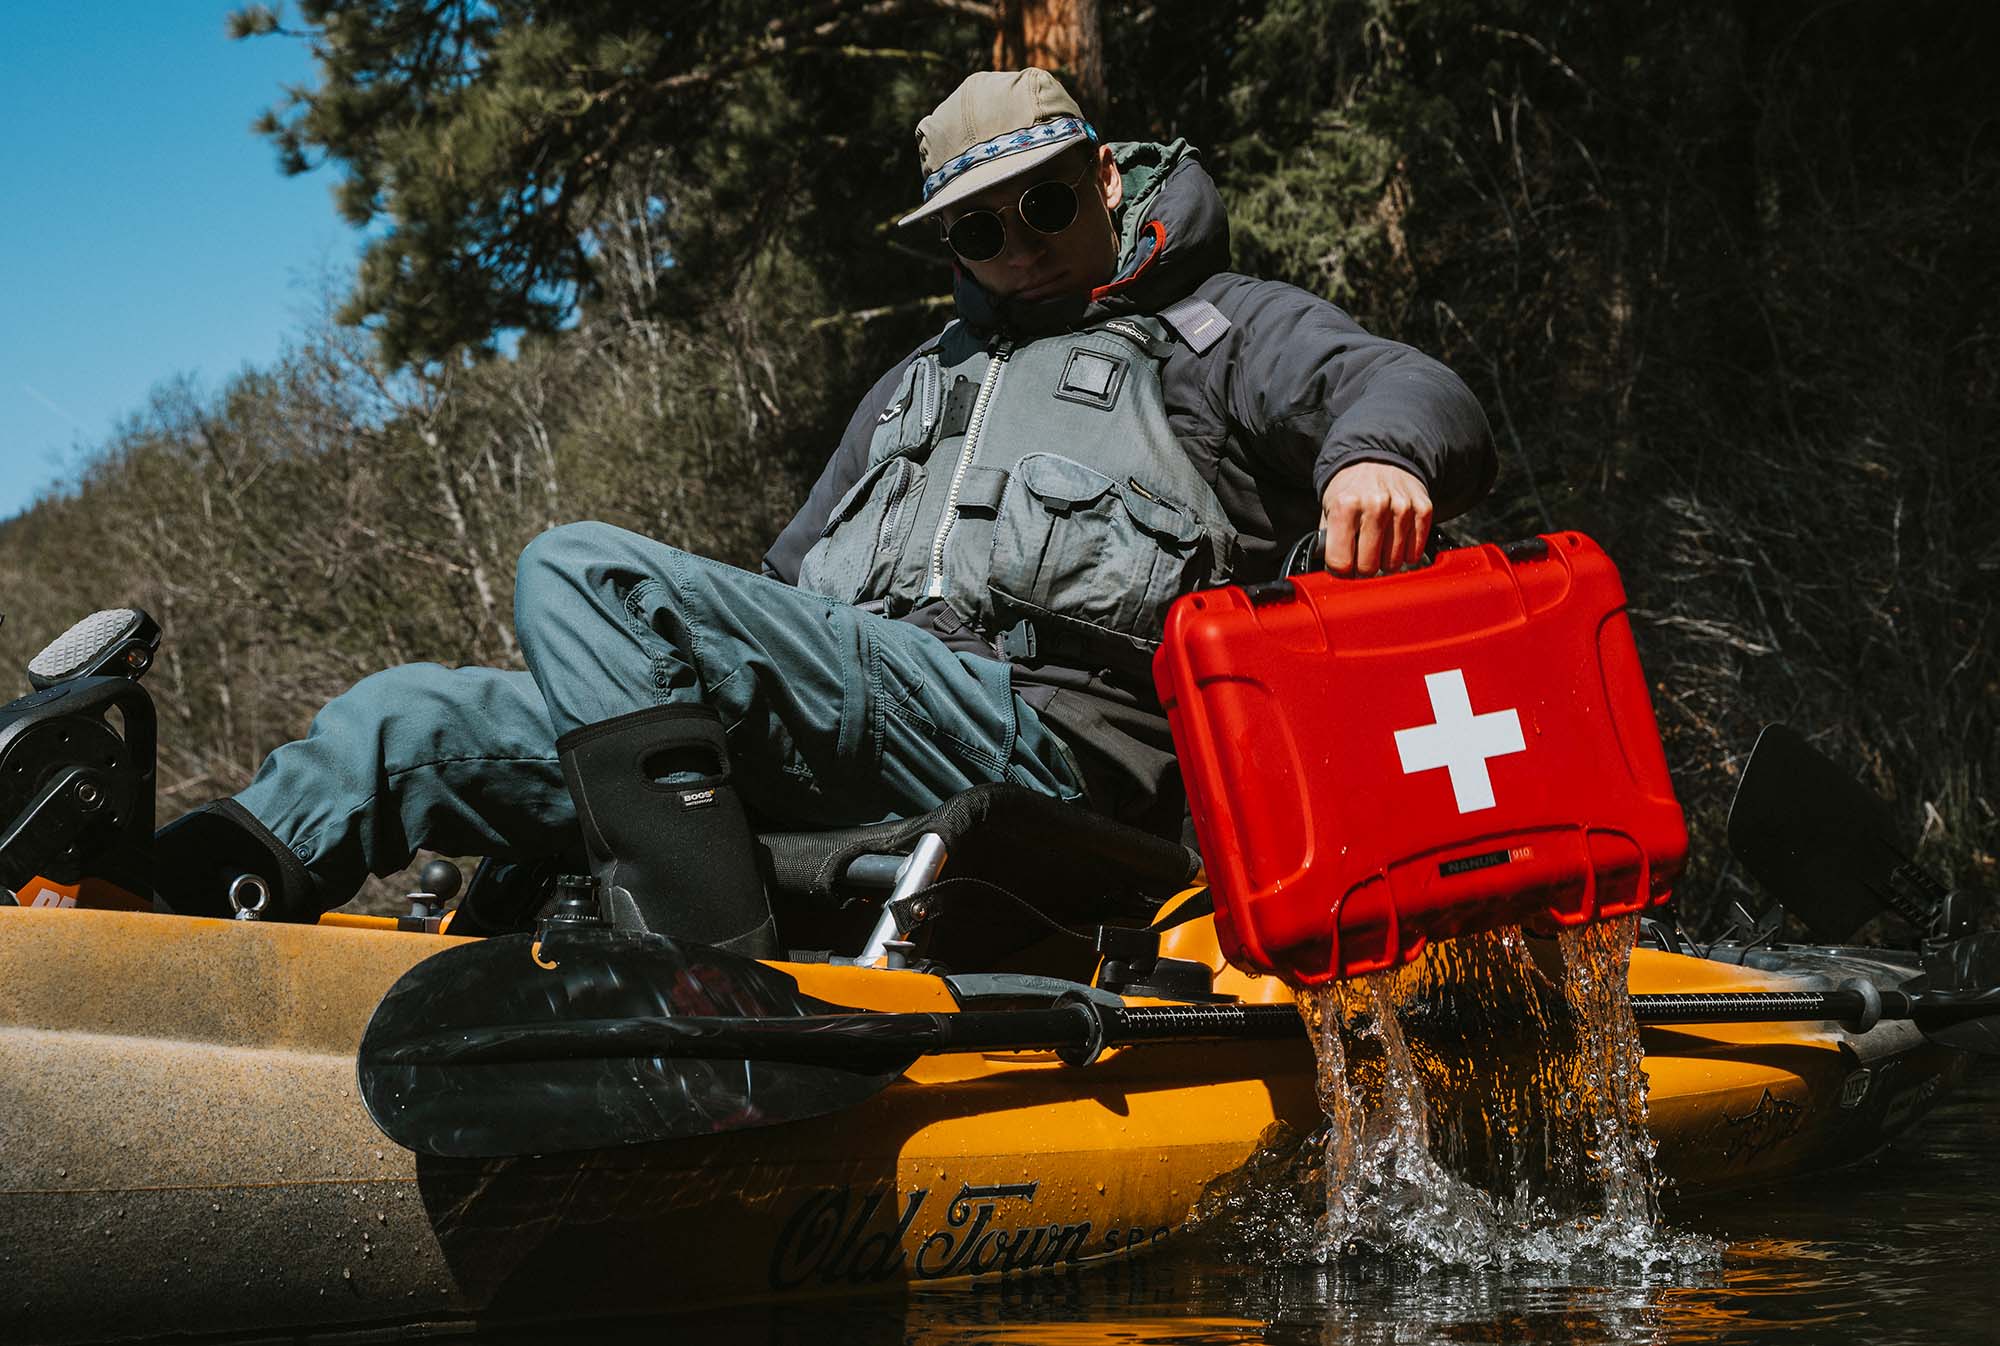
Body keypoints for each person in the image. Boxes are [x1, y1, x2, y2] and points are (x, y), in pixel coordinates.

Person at [151, 69, 1496, 954]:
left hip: (1054, 738)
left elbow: (1402, 382)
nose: (1017, 247)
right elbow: (785, 597)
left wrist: (1377, 460)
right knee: (414, 715)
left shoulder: (1220, 327)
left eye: (1040, 205)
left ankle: (710, 982)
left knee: (580, 568)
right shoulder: (910, 389)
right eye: (978, 230)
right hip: (867, 712)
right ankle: (163, 925)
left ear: (1100, 178)